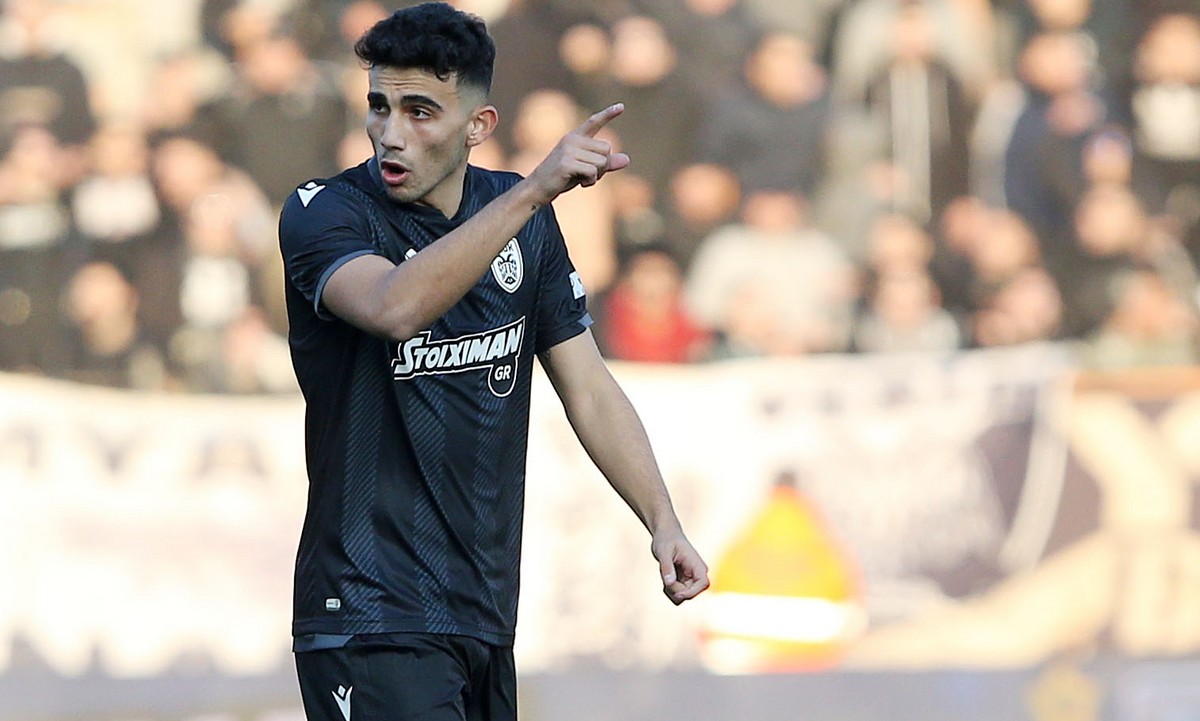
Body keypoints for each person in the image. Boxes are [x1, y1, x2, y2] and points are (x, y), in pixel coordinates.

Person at [276, 4, 709, 721]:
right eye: (379, 106)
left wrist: (662, 519)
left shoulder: (519, 214)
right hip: (367, 610)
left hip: (482, 612)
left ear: (478, 126)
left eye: (420, 111)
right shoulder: (325, 211)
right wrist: (536, 191)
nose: (391, 132)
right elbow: (393, 307)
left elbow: (588, 386)